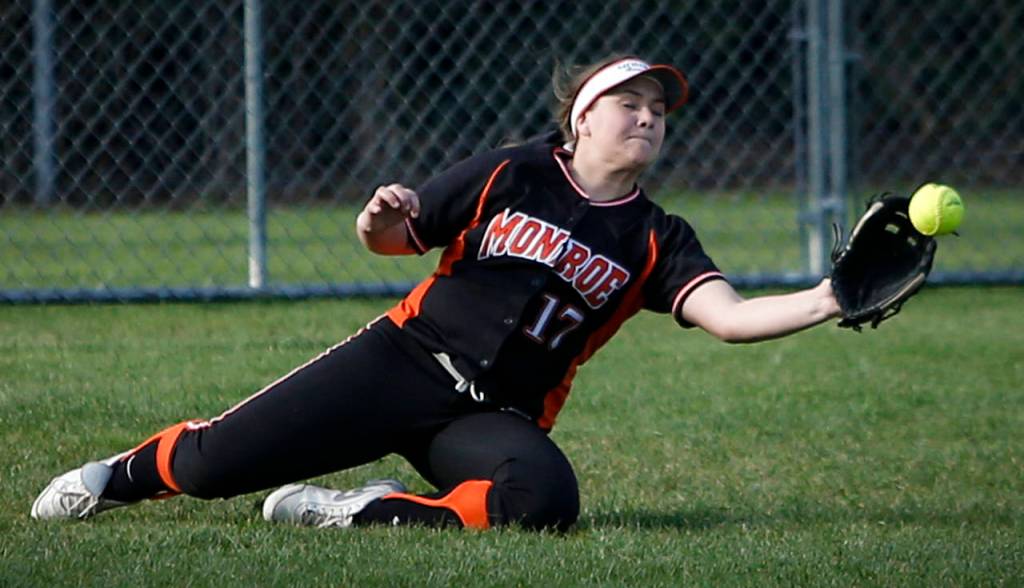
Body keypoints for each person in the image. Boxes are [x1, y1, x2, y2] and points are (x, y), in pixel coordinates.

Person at [32, 54, 841, 531]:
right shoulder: (514, 169)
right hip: (406, 360)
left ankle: (360, 511)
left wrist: (829, 297)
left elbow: (730, 319)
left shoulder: (657, 236)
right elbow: (395, 240)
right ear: (582, 120)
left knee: (545, 500)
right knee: (213, 468)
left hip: (495, 418)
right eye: (628, 103)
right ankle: (114, 477)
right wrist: (375, 219)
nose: (648, 118)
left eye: (658, 110)